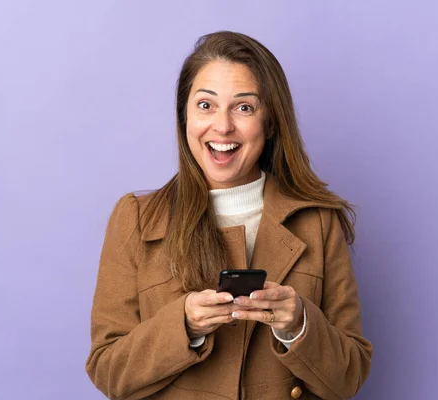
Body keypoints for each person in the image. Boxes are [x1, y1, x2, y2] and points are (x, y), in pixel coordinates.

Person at [85, 31, 373, 400]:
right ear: (184, 116)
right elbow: (108, 371)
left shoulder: (318, 221)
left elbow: (348, 379)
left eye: (244, 107)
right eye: (206, 105)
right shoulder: (136, 219)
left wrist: (298, 325)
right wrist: (184, 325)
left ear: (270, 123)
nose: (222, 127)